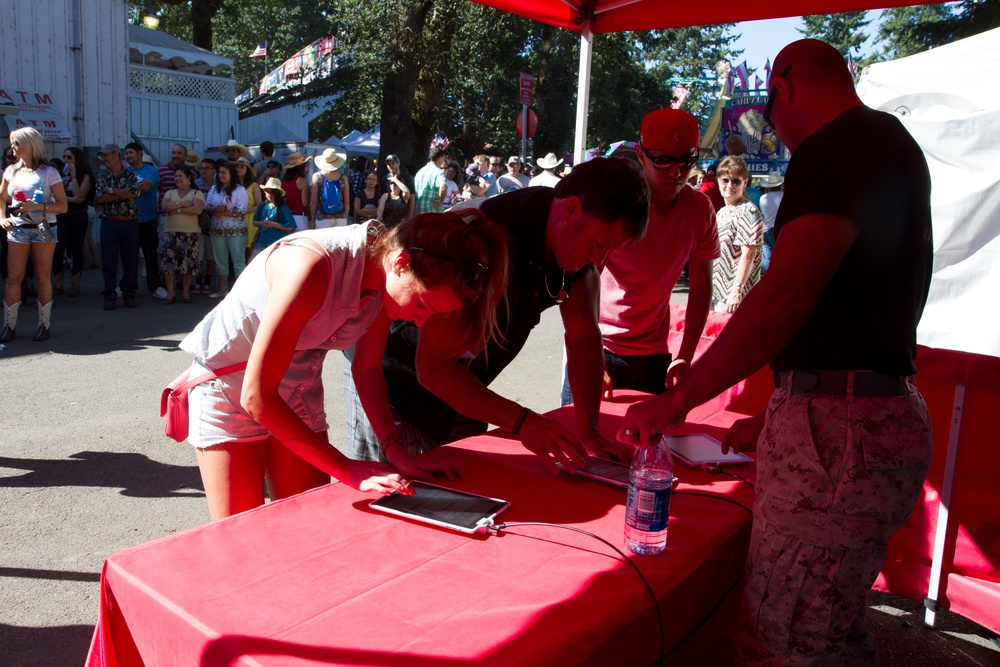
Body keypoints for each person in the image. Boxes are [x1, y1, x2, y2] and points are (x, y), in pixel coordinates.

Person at [617, 38, 935, 666]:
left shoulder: (840, 146)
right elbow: (853, 305)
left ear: (783, 88)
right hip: (864, 415)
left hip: (840, 433)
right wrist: (785, 405)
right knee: (827, 626)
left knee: (785, 640)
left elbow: (787, 292)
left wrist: (678, 400)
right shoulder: (887, 144)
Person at [179, 209, 510, 521]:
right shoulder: (312, 266)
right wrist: (347, 468)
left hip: (297, 389)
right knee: (240, 535)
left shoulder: (383, 276)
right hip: (229, 387)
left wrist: (396, 452)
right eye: (422, 303)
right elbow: (256, 397)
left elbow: (366, 369)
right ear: (402, 263)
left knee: (306, 525)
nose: (421, 321)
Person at [346, 157, 649, 471]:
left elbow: (584, 338)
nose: (599, 259)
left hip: (460, 390)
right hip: (393, 383)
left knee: (466, 489)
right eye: (598, 244)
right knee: (398, 490)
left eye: (609, 250)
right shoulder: (494, 234)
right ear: (571, 210)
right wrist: (522, 422)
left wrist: (591, 433)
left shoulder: (574, 254)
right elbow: (433, 368)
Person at [562, 108, 718, 403]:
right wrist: (591, 354)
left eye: (686, 162)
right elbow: (581, 279)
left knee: (650, 447)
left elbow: (701, 288)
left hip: (654, 356)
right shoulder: (619, 203)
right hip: (601, 344)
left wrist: (685, 356)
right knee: (583, 442)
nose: (676, 173)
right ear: (643, 156)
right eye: (664, 162)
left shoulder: (699, 209)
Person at [0, 127, 68, 341]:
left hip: (43, 230)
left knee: (42, 276)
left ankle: (44, 324)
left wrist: (38, 207)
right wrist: (2, 218)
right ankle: (8, 325)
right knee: (13, 277)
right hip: (18, 229)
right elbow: (2, 198)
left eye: (16, 143)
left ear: (30, 145)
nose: (13, 147)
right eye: (12, 143)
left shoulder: (49, 172)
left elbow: (63, 206)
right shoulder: (11, 171)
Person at [711, 155, 764, 313]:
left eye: (736, 181)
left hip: (733, 297)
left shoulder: (748, 211)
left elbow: (749, 253)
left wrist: (737, 289)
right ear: (718, 181)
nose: (729, 185)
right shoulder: (722, 212)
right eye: (725, 180)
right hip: (717, 292)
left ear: (745, 183)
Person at [94, 143, 140, 311]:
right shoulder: (101, 177)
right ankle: (109, 295)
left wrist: (110, 190)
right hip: (110, 222)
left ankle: (129, 294)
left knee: (130, 259)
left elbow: (132, 194)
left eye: (106, 155)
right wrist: (119, 193)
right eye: (102, 156)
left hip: (129, 221)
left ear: (115, 155)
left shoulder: (130, 176)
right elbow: (99, 199)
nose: (103, 159)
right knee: (109, 260)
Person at [158, 166, 205, 304]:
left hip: (191, 234)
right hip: (171, 233)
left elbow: (197, 209)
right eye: (176, 176)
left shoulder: (196, 193)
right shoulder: (170, 192)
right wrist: (184, 204)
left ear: (189, 178)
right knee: (169, 265)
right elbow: (164, 207)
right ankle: (171, 292)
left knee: (189, 264)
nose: (177, 179)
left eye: (180, 176)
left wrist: (177, 209)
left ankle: (185, 293)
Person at [124, 143, 164, 299]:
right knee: (129, 257)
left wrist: (124, 190)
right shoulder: (125, 172)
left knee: (150, 256)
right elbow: (138, 188)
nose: (128, 156)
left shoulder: (151, 171)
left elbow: (146, 187)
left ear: (139, 153)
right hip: (129, 221)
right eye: (126, 153)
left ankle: (155, 287)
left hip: (147, 221)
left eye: (131, 152)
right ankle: (128, 287)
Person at [203, 162, 248, 298]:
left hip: (236, 230)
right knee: (220, 260)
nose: (221, 175)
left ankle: (240, 293)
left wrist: (226, 212)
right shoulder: (214, 188)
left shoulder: (239, 190)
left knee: (238, 260)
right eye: (220, 172)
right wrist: (214, 210)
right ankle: (223, 289)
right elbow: (207, 205)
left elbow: (242, 210)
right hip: (217, 229)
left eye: (224, 173)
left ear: (231, 174)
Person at [57, 147, 94, 297]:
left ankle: (75, 283)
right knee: (58, 248)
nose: (66, 160)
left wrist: (73, 177)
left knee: (76, 248)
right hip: (61, 215)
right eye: (64, 157)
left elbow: (79, 196)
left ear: (77, 159)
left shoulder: (85, 176)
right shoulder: (59, 175)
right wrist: (69, 199)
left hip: (78, 215)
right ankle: (57, 283)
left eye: (69, 157)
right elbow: (54, 195)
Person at [250, 177, 295, 259]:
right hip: (262, 241)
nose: (269, 195)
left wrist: (273, 224)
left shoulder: (283, 207)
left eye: (272, 192)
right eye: (267, 191)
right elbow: (254, 221)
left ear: (277, 193)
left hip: (276, 242)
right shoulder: (262, 205)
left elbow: (290, 226)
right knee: (251, 263)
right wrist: (260, 223)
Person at [310, 148, 350, 229]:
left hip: (322, 216)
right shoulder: (343, 177)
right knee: (340, 241)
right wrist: (345, 215)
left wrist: (312, 218)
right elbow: (347, 202)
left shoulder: (317, 176)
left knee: (322, 241)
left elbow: (313, 201)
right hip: (340, 217)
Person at [234, 157, 261, 260]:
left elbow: (259, 205)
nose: (239, 169)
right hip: (234, 219)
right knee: (236, 251)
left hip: (250, 220)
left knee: (250, 250)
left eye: (242, 167)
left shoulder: (254, 186)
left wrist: (244, 211)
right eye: (237, 167)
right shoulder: (232, 186)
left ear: (247, 170)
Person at [757, 171, 784, 275]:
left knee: (767, 258)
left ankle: (765, 278)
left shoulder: (763, 198)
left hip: (767, 229)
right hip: (780, 229)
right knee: (781, 256)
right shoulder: (784, 196)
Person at [280, 152, 311, 230]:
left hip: (286, 217)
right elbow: (304, 203)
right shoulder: (302, 181)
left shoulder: (283, 181)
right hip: (300, 217)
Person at [413, 147, 447, 215]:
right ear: (440, 158)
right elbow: (443, 188)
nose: (443, 161)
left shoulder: (420, 172)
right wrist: (441, 201)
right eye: (443, 158)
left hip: (418, 214)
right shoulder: (439, 173)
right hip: (432, 214)